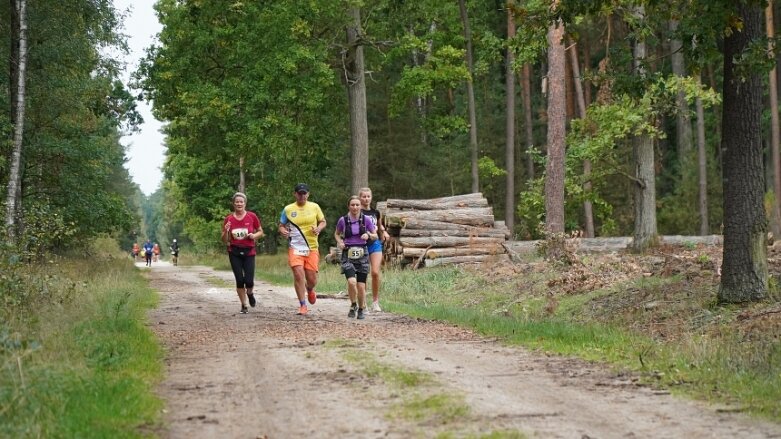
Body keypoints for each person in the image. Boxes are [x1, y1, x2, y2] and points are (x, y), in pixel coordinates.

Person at [278, 183, 326, 315]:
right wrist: (283, 231)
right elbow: (281, 225)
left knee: (312, 279)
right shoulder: (288, 209)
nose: (302, 196)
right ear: (295, 194)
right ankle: (302, 305)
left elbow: (323, 221)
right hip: (295, 247)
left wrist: (319, 228)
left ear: (308, 194)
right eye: (299, 193)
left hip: (311, 247)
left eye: (304, 193)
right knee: (298, 275)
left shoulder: (315, 207)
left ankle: (310, 289)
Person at [335, 195, 377, 319]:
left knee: (361, 285)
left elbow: (375, 235)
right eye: (352, 205)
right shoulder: (343, 220)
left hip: (362, 253)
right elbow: (337, 234)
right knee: (351, 281)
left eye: (357, 205)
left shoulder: (366, 220)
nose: (355, 207)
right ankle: (353, 304)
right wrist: (340, 242)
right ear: (349, 206)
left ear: (360, 206)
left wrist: (368, 235)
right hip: (347, 253)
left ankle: (361, 308)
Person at [221, 192, 264, 314]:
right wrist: (225, 231)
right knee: (240, 279)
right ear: (233, 204)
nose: (239, 203)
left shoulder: (252, 216)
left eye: (241, 201)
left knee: (249, 281)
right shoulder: (228, 219)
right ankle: (244, 305)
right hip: (234, 251)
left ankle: (250, 293)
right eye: (237, 202)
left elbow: (260, 231)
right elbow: (224, 240)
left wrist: (254, 235)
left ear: (245, 203)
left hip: (249, 251)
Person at [359, 187, 390, 312]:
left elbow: (379, 224)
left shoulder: (376, 212)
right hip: (361, 244)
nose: (366, 199)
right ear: (360, 198)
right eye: (364, 196)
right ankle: (363, 302)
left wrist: (384, 233)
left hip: (375, 243)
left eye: (368, 196)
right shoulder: (357, 211)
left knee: (375, 272)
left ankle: (375, 302)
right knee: (363, 273)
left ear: (371, 197)